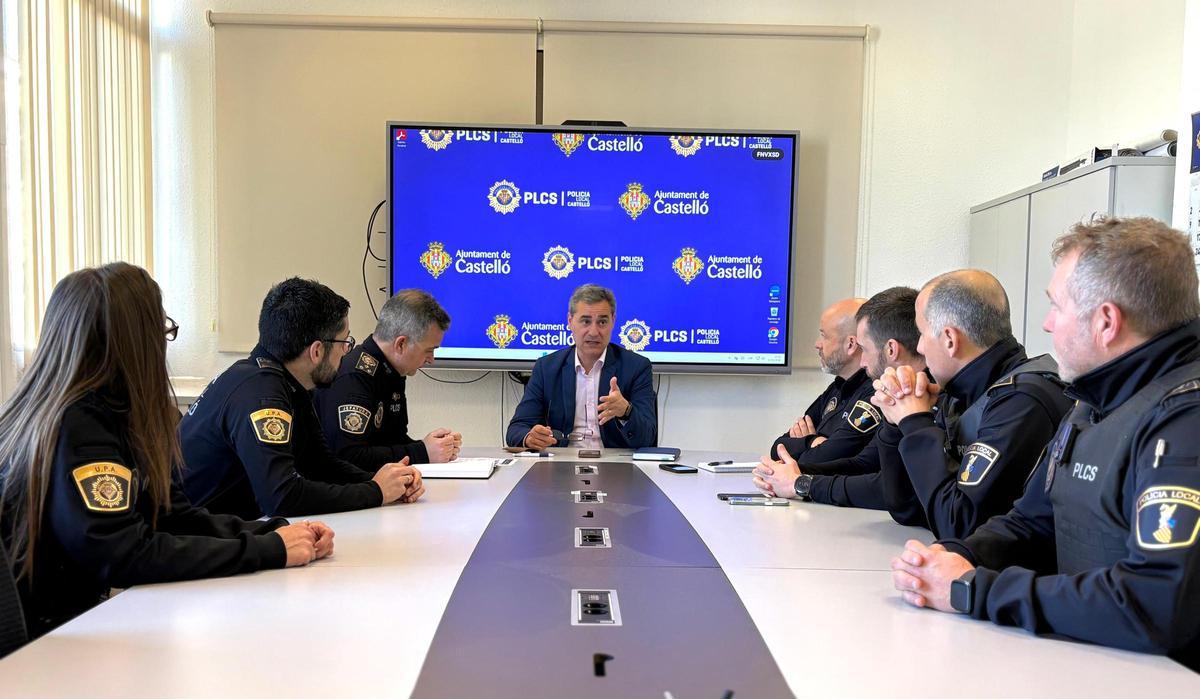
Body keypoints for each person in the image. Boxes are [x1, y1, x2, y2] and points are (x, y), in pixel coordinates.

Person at [890, 217, 1200, 670]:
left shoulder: (1185, 417)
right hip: (1094, 663)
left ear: (1106, 322)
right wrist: (957, 555)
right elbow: (1032, 522)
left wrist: (973, 589)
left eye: (1057, 306)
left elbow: (1155, 601)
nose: (1047, 324)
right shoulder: (1093, 400)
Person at [0, 263, 332, 639]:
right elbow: (123, 554)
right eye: (162, 331)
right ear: (136, 342)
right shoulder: (77, 424)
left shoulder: (116, 414)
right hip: (47, 642)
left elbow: (173, 516)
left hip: (81, 625)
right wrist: (268, 550)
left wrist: (275, 531)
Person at [179, 278, 421, 519]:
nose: (346, 351)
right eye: (345, 342)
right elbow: (282, 497)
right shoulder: (263, 394)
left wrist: (388, 481)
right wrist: (375, 491)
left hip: (227, 526)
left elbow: (320, 464)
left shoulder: (286, 381)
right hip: (192, 533)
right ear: (317, 351)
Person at [866, 270, 1072, 539]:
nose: (920, 347)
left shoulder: (1022, 401)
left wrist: (915, 424)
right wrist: (897, 421)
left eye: (921, 334)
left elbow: (959, 526)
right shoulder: (961, 393)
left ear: (950, 340)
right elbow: (908, 507)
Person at [754, 288, 924, 522]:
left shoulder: (915, 398)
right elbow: (864, 463)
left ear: (891, 350)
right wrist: (785, 475)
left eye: (865, 349)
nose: (862, 362)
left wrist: (801, 483)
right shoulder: (892, 394)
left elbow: (893, 491)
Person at [315, 289, 461, 470]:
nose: (431, 359)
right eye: (429, 350)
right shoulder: (354, 377)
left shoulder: (391, 371)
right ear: (401, 344)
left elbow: (393, 440)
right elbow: (349, 457)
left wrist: (435, 447)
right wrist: (422, 452)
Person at [506, 284, 656, 450]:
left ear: (613, 321)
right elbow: (516, 429)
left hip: (615, 461)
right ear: (570, 321)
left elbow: (648, 438)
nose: (594, 332)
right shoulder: (547, 368)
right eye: (585, 321)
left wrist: (626, 412)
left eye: (602, 322)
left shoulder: (636, 367)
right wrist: (530, 437)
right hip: (561, 461)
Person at [769, 298, 881, 464]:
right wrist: (812, 442)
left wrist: (805, 449)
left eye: (824, 336)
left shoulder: (874, 393)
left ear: (850, 344)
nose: (817, 344)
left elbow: (830, 458)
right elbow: (778, 448)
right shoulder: (837, 387)